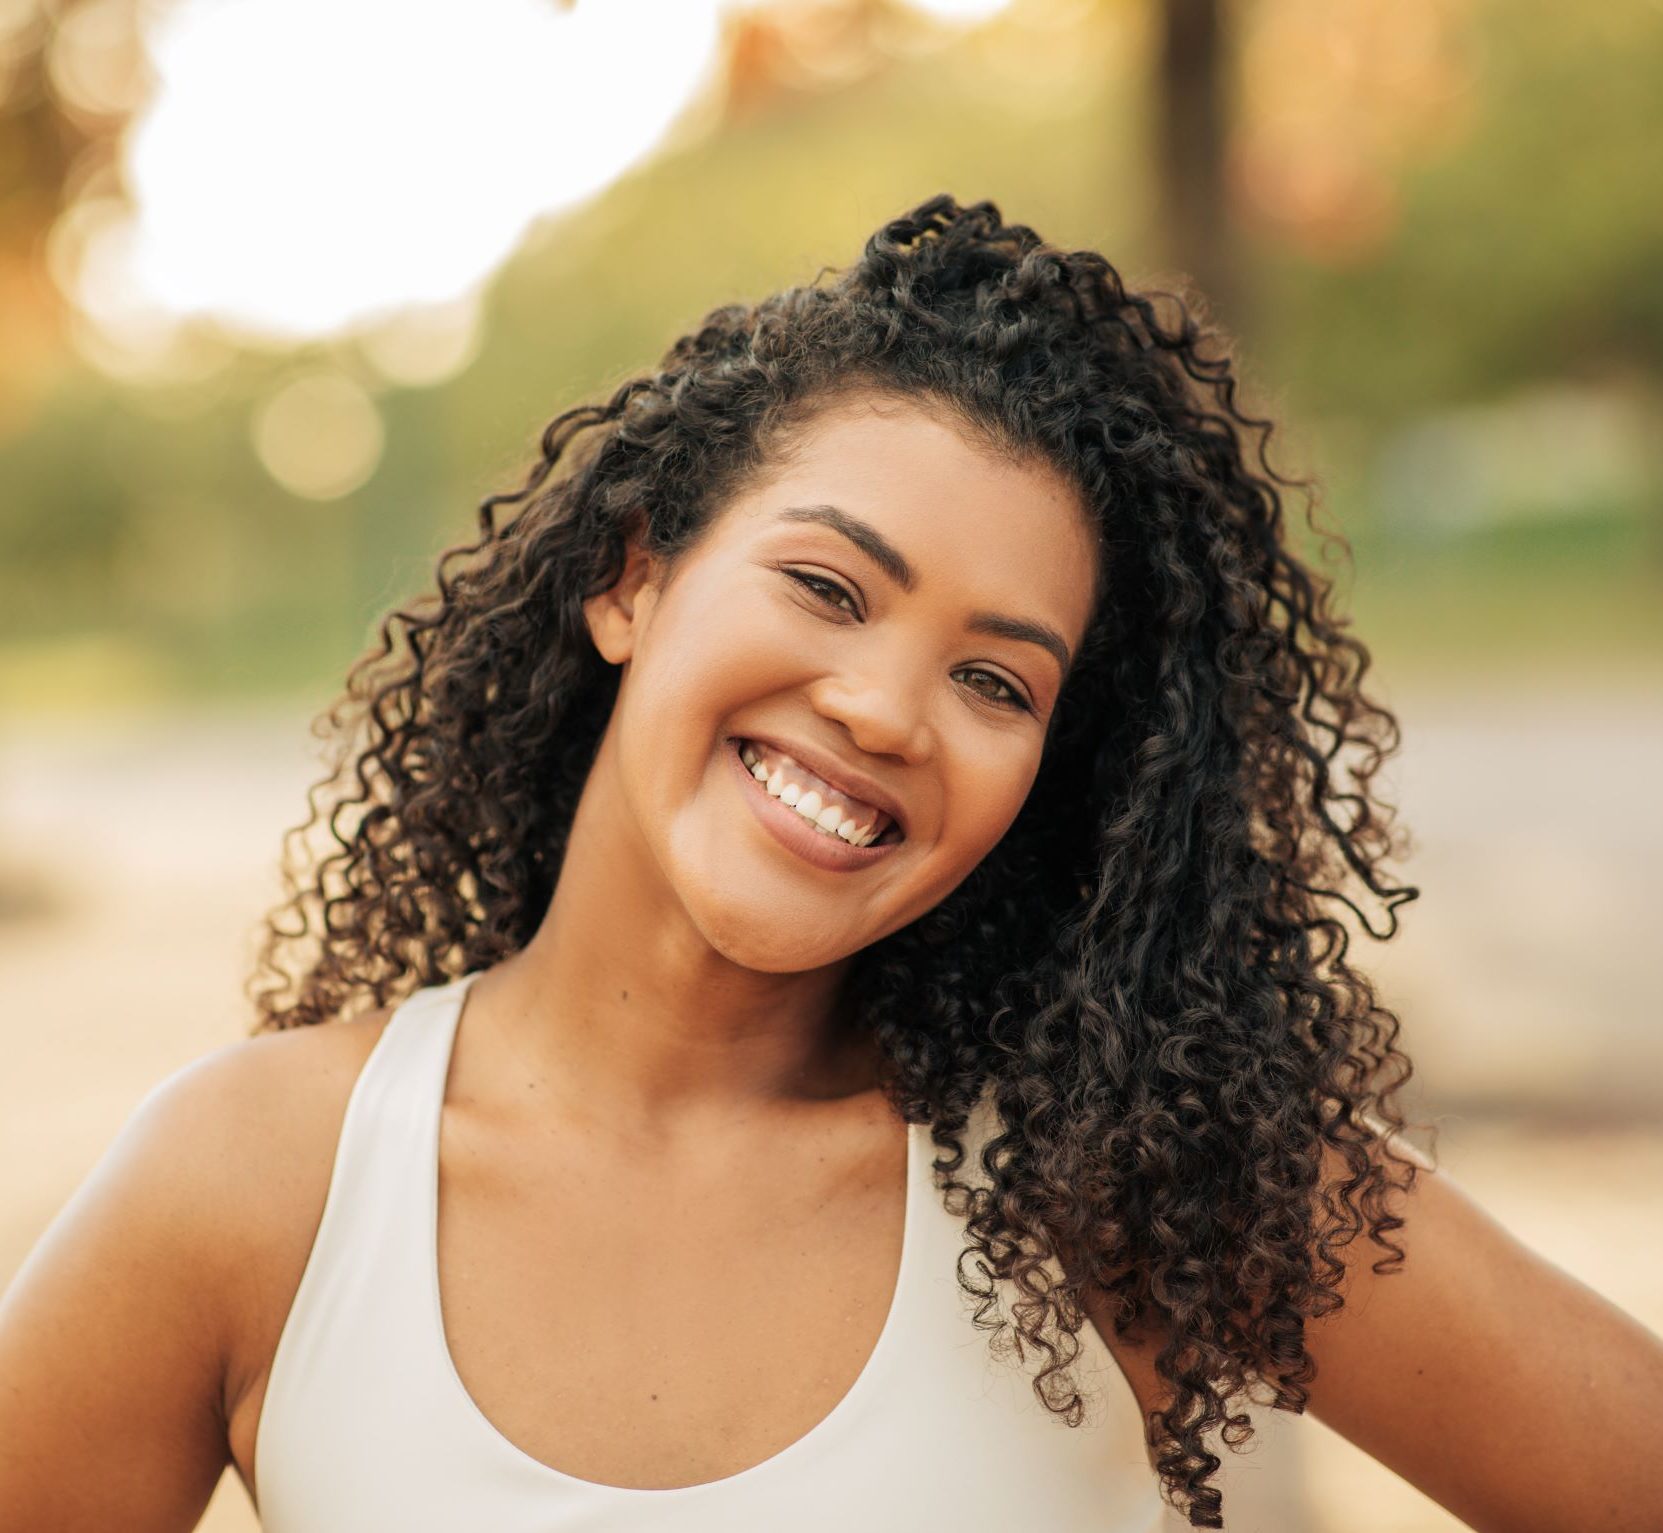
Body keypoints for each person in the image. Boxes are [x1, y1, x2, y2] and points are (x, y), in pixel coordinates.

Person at [2, 194, 1659, 1533]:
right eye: (830, 586)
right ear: (633, 577)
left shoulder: (1119, 1175)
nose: (883, 707)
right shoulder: (255, 1188)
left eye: (995, 680)